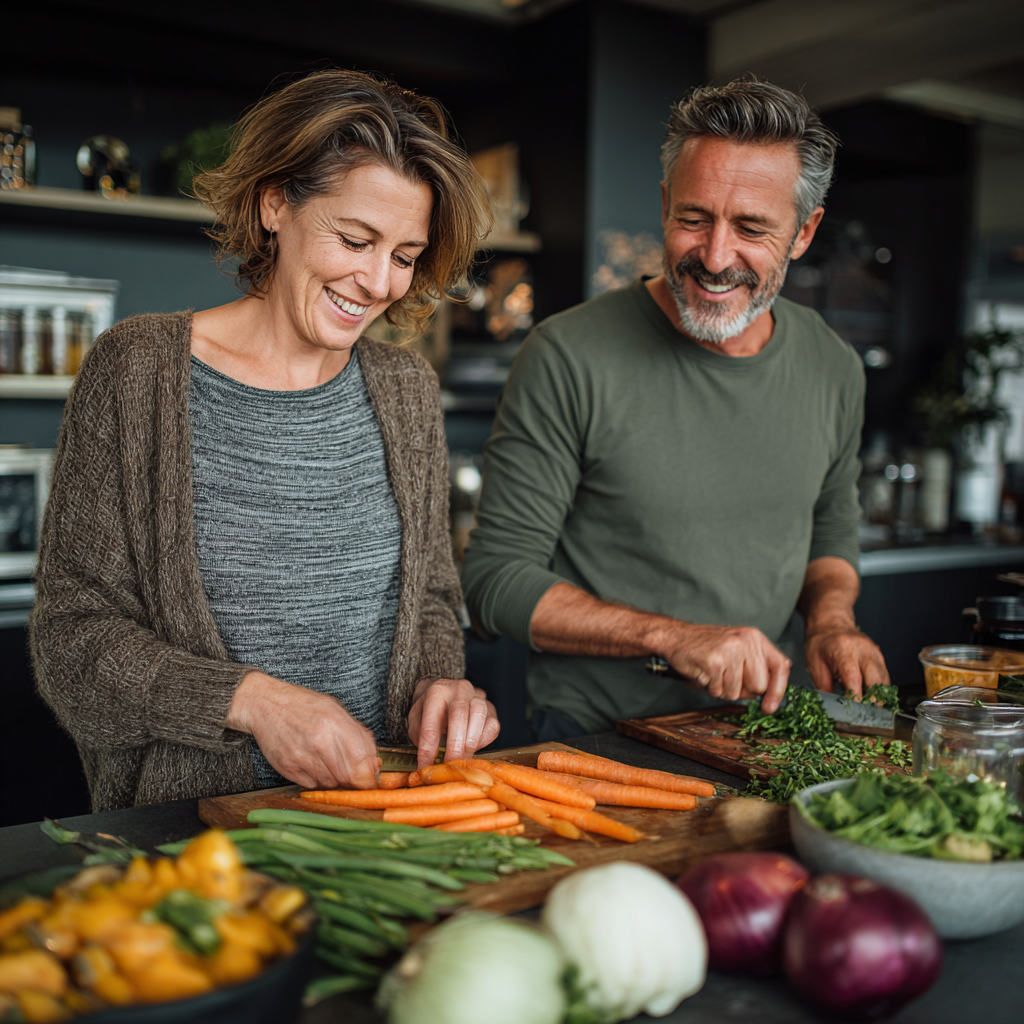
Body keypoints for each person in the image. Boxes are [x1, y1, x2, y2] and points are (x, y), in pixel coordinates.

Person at [31, 70, 500, 812]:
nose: (379, 282)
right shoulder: (138, 369)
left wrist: (443, 683)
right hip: (192, 832)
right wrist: (252, 701)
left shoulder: (405, 390)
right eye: (355, 239)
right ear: (275, 202)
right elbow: (72, 642)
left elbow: (432, 600)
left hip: (387, 818)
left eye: (405, 256)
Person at [462, 77, 890, 742]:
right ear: (664, 205)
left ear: (804, 232)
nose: (715, 258)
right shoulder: (567, 354)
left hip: (763, 731)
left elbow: (830, 529)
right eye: (694, 218)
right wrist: (671, 638)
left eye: (751, 227)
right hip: (596, 739)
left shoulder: (832, 365)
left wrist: (833, 621)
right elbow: (495, 580)